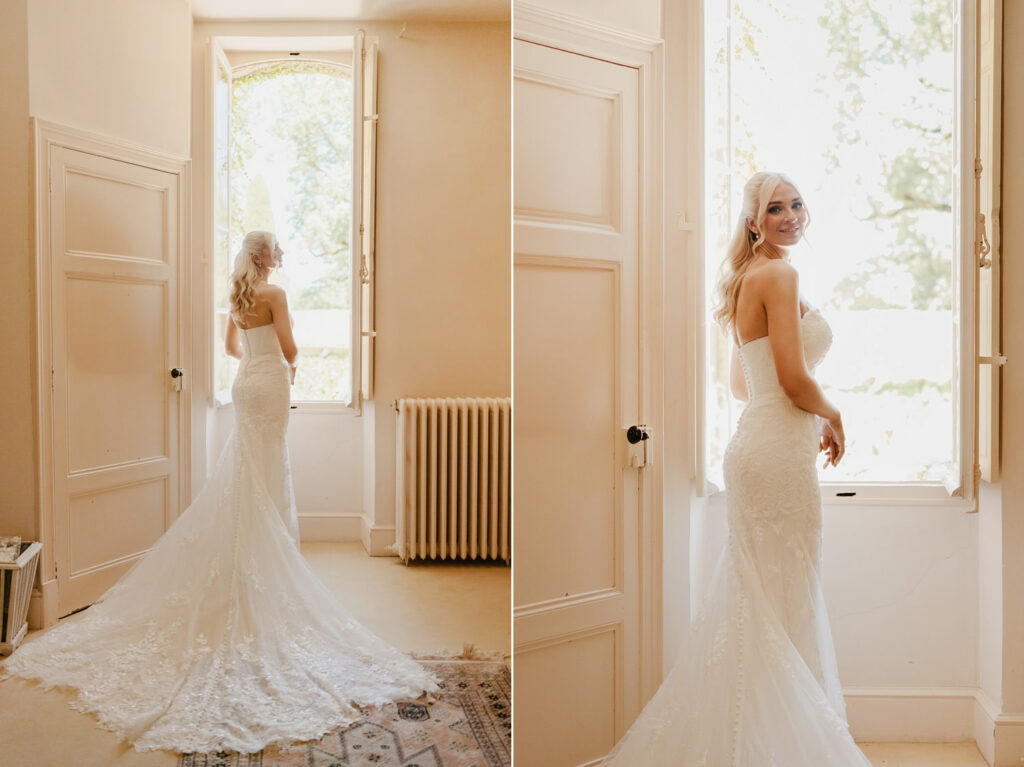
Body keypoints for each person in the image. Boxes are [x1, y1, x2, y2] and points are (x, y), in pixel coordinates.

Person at [1, 230, 439, 754]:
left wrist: (258, 364)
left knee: (246, 469)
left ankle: (245, 557)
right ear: (262, 257)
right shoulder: (274, 295)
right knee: (267, 467)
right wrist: (292, 369)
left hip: (245, 384)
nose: (281, 256)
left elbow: (234, 348)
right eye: (276, 250)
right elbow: (291, 347)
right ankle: (262, 557)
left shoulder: (237, 294)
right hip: (271, 383)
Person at [598, 172, 871, 766]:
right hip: (775, 455)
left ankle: (759, 742)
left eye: (797, 204)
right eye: (776, 209)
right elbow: (793, 379)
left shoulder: (751, 276)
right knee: (782, 592)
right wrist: (832, 414)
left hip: (764, 445)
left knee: (765, 594)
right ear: (753, 222)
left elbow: (742, 382)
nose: (792, 215)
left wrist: (796, 412)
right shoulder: (779, 274)